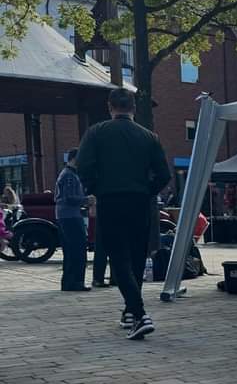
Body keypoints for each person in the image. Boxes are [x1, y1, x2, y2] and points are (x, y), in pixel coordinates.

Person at [77, 87, 170, 339]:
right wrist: (146, 191)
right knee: (137, 257)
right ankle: (130, 311)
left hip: (111, 200)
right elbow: (164, 175)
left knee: (118, 259)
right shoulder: (149, 136)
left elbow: (83, 167)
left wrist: (97, 189)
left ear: (110, 107)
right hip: (140, 202)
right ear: (134, 108)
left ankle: (139, 314)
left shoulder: (96, 133)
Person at [54, 149, 91, 291]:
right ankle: (76, 281)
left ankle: (68, 282)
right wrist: (86, 200)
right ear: (75, 159)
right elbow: (69, 197)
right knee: (78, 248)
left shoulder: (67, 174)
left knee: (69, 250)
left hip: (64, 215)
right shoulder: (70, 176)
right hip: (71, 215)